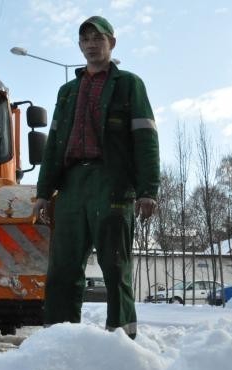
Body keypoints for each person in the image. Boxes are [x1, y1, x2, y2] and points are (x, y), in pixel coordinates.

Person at [33, 16, 159, 339]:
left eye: (98, 38)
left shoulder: (129, 84)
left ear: (111, 43)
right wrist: (44, 193)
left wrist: (148, 190)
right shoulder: (67, 92)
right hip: (72, 184)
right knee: (62, 267)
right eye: (85, 39)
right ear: (79, 46)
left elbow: (145, 138)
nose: (91, 44)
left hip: (112, 182)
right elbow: (53, 146)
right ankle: (58, 338)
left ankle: (121, 338)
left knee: (115, 266)